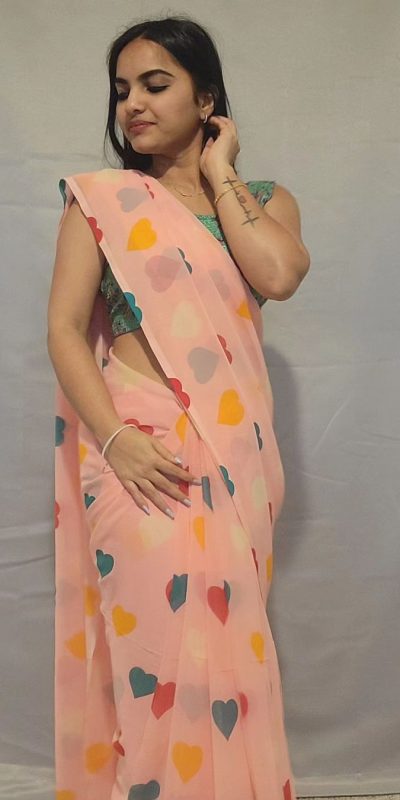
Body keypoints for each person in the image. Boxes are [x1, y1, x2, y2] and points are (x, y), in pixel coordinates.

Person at [47, 14, 310, 800]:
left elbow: (279, 275)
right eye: (122, 89)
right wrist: (115, 438)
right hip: (140, 456)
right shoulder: (102, 204)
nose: (132, 103)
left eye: (155, 85)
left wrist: (220, 168)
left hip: (236, 459)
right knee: (157, 661)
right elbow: (63, 330)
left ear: (206, 99)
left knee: (229, 662)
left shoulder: (263, 200)